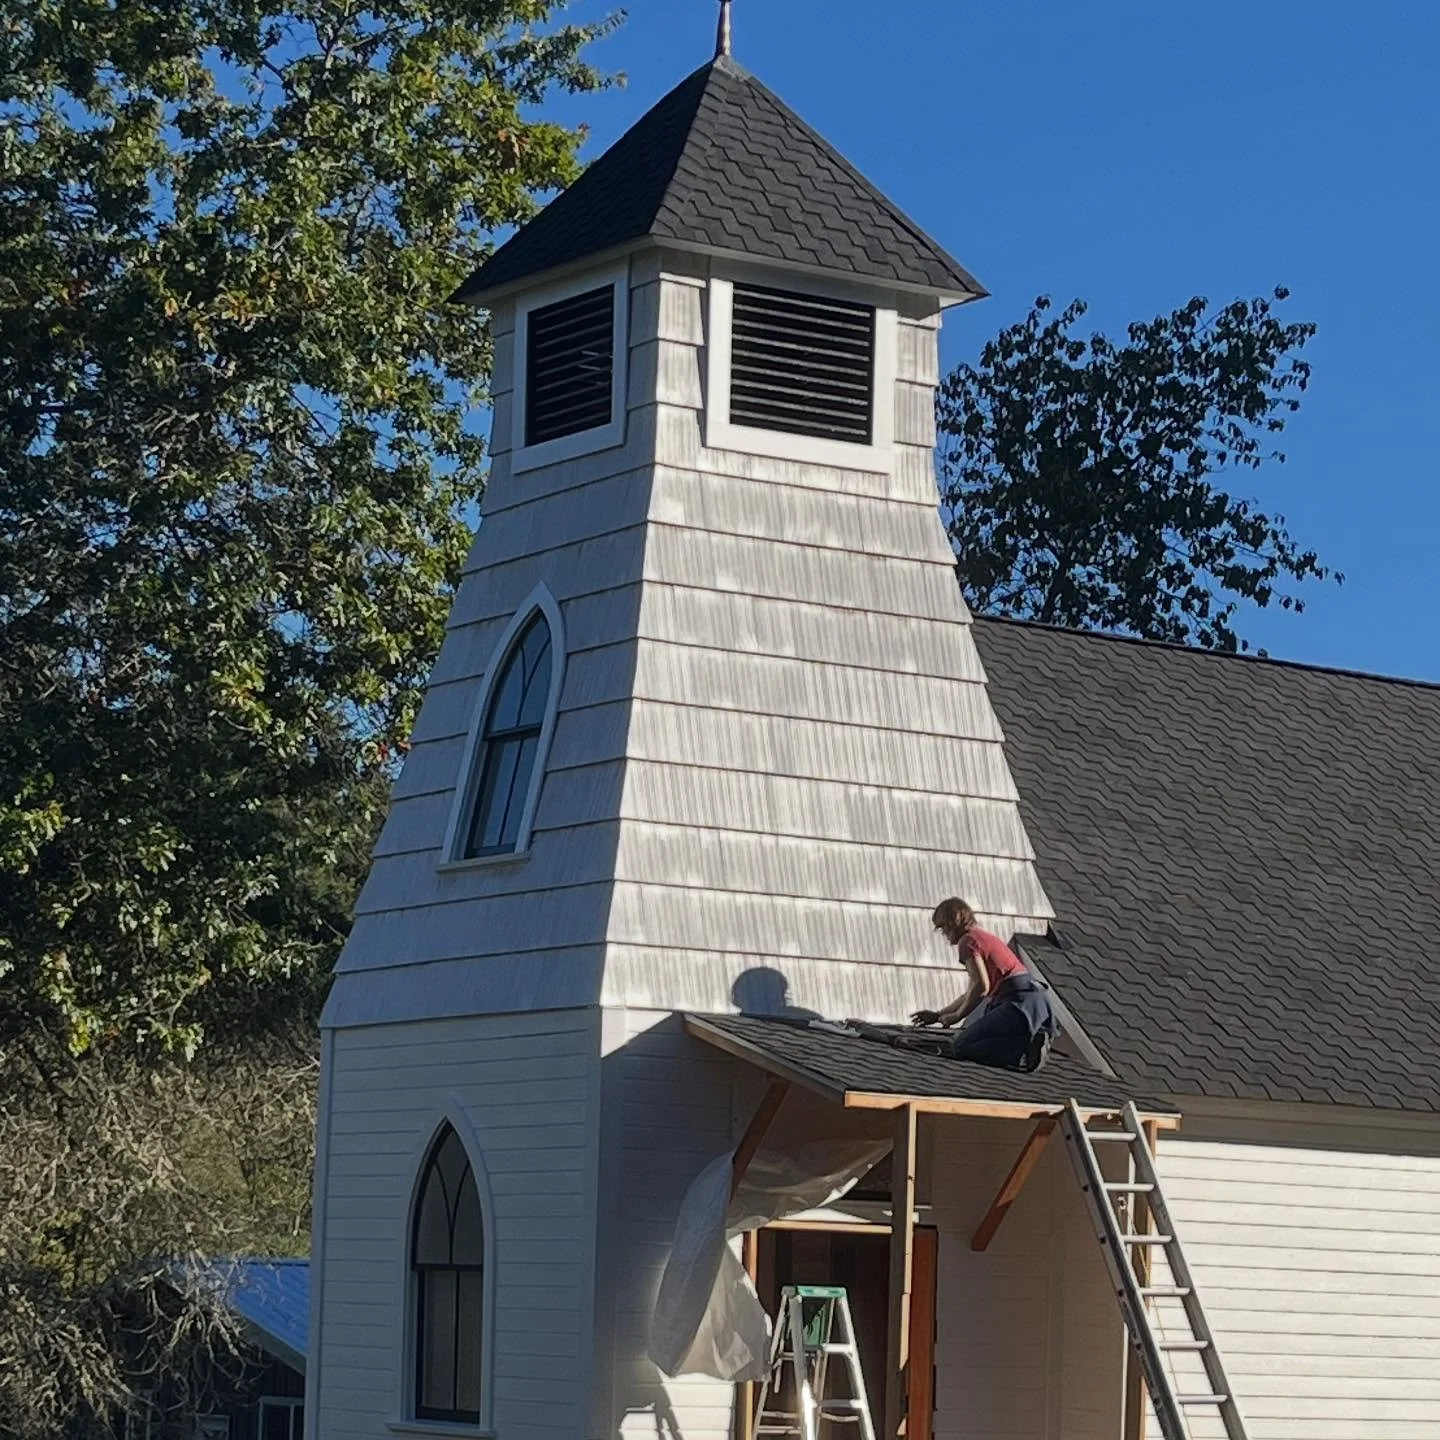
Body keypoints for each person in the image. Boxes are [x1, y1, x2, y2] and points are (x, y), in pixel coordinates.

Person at [911, 897, 1058, 1072]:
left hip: (1017, 1004)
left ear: (953, 923)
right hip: (1034, 1003)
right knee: (980, 1038)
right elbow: (971, 992)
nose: (943, 934)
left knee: (961, 1046)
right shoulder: (983, 937)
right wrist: (938, 1015)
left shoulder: (968, 942)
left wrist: (956, 1016)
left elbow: (981, 987)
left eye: (943, 928)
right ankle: (1029, 1041)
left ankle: (1023, 1051)